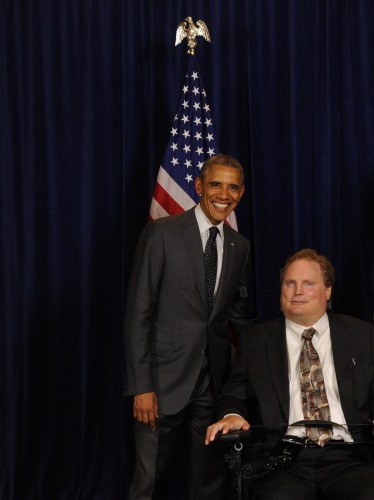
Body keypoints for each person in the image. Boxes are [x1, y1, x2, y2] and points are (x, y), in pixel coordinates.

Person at [206, 248, 374, 500]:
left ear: (327, 291)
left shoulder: (360, 334)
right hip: (281, 458)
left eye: (308, 284)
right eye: (290, 283)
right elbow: (234, 395)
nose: (297, 291)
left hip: (347, 456)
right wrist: (232, 415)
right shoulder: (255, 340)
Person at [123, 154, 257, 500]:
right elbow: (139, 313)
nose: (223, 194)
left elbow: (238, 317)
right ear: (199, 186)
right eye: (215, 184)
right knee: (148, 482)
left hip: (212, 384)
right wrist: (141, 387)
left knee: (208, 483)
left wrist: (275, 350)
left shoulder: (239, 246)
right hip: (161, 381)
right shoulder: (162, 233)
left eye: (232, 187)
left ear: (240, 194)